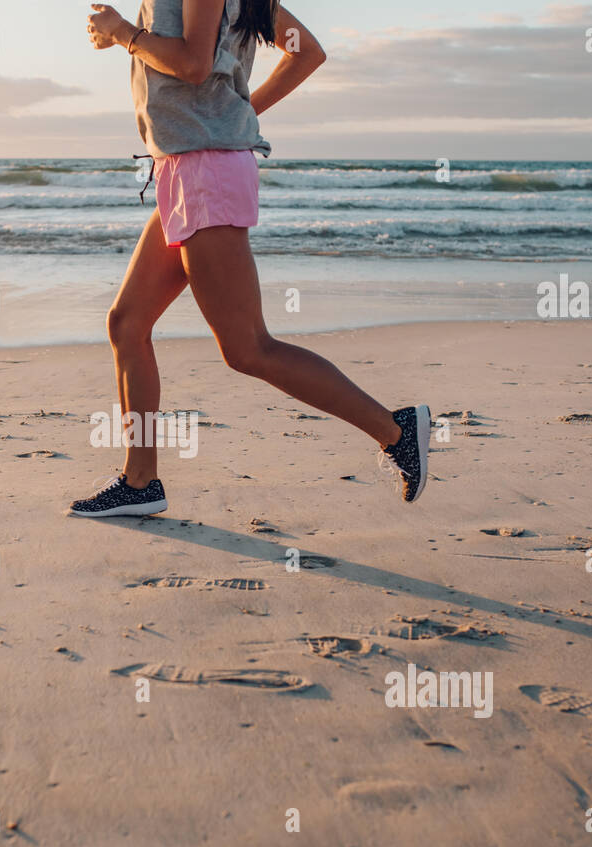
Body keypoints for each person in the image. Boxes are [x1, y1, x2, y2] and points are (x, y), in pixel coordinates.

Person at [70, 0, 430, 518]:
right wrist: (238, 113)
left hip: (205, 174)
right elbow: (308, 53)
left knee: (248, 348)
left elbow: (194, 65)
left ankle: (395, 432)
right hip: (184, 168)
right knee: (127, 324)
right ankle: (140, 481)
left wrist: (124, 33)